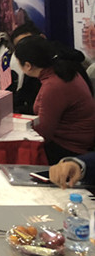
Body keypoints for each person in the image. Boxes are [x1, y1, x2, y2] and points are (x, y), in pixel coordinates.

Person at [14, 36, 95, 164]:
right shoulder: (63, 70)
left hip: (68, 148)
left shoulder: (53, 86)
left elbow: (43, 133)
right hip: (74, 141)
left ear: (28, 66)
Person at [8, 23, 43, 114]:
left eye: (29, 43)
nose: (25, 50)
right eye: (20, 47)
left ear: (42, 38)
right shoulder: (31, 69)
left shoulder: (57, 71)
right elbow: (22, 94)